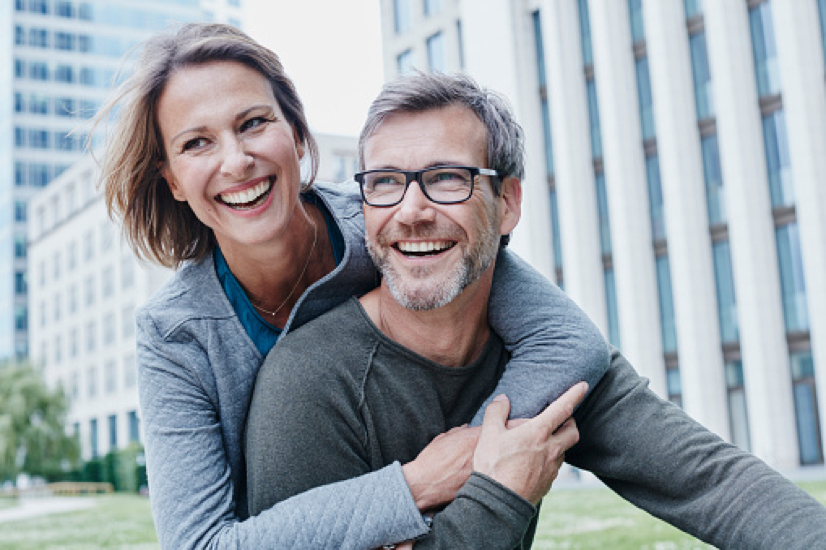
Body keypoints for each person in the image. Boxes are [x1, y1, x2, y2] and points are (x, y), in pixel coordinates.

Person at [245, 72, 826, 549]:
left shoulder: (542, 358)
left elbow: (713, 483)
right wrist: (500, 494)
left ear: (509, 203)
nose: (412, 210)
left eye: (447, 179)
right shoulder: (308, 387)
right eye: (387, 182)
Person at [93, 23, 609, 549]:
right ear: (173, 179)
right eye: (197, 142)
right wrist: (414, 487)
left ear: (296, 132)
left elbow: (568, 339)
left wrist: (483, 459)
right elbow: (197, 545)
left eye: (253, 123)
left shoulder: (389, 224)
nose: (236, 160)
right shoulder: (173, 335)